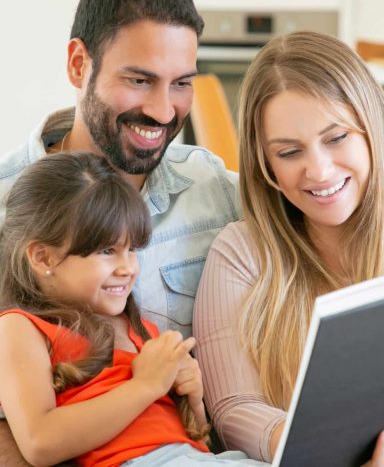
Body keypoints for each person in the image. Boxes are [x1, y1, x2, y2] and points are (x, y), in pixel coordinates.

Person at [193, 31, 384, 465]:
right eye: (289, 151)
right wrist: (325, 449)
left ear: (372, 129)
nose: (318, 170)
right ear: (265, 163)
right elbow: (233, 409)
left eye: (336, 138)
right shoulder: (242, 253)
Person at [0, 0, 239, 463]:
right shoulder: (8, 211)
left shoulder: (210, 183)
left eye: (181, 84)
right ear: (78, 64)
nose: (164, 111)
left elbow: (322, 220)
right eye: (139, 80)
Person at [0, 151, 271, 467]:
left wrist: (192, 397)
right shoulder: (20, 328)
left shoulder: (142, 330)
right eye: (107, 251)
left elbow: (195, 441)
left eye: (131, 250)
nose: (127, 267)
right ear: (43, 258)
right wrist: (145, 386)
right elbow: (39, 443)